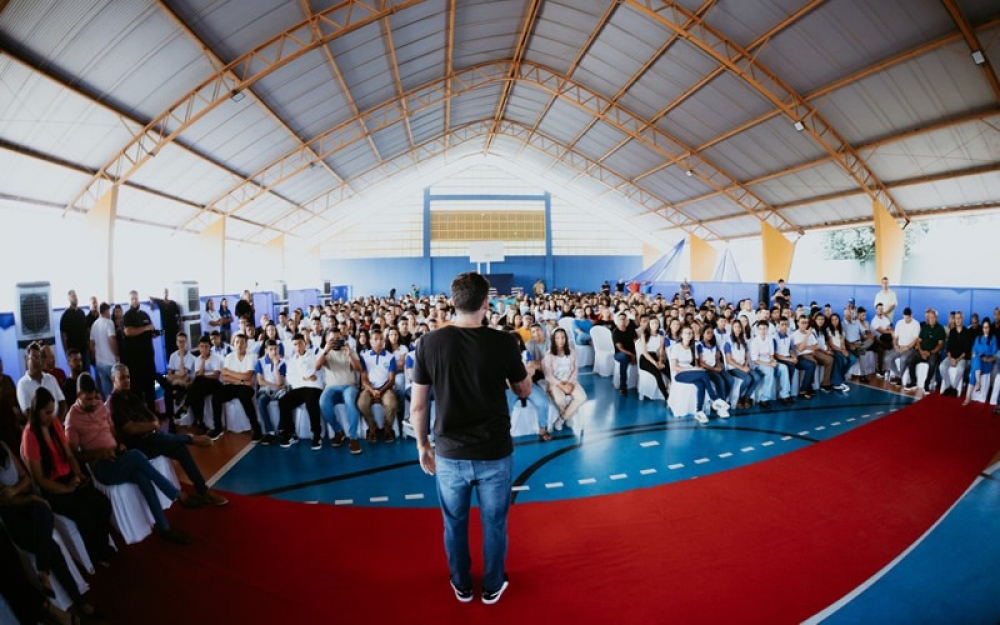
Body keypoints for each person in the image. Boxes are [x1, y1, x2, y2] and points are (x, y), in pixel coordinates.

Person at [410, 272, 531, 605]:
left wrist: (422, 445)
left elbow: (418, 405)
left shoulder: (428, 343)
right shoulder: (504, 342)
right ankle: (492, 585)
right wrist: (523, 373)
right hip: (494, 452)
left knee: (454, 524)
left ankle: (461, 584)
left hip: (449, 453)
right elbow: (523, 390)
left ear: (453, 302)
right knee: (494, 524)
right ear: (486, 303)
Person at [65, 374, 193, 544]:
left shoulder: (100, 406)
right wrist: (97, 454)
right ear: (78, 395)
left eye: (93, 397)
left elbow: (112, 432)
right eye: (87, 400)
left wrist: (119, 444)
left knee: (141, 475)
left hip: (116, 457)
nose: (92, 403)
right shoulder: (72, 419)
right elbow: (74, 456)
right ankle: (175, 494)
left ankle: (164, 528)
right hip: (101, 467)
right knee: (136, 456)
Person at [0, 438, 96, 619]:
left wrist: (18, 491)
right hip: (13, 518)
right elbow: (6, 501)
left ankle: (43, 570)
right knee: (53, 548)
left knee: (42, 509)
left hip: (30, 507)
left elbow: (26, 479)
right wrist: (28, 496)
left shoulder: (3, 446)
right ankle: (81, 603)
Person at [107, 364, 227, 507]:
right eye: (122, 378)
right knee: (161, 438)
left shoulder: (132, 396)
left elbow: (151, 415)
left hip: (151, 438)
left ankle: (203, 491)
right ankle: (190, 438)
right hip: (137, 447)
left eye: (128, 377)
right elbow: (131, 428)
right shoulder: (114, 403)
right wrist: (152, 426)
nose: (127, 380)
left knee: (180, 449)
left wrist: (152, 425)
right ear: (113, 379)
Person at [20, 387, 114, 568]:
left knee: (102, 503)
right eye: (46, 412)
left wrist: (78, 474)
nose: (50, 416)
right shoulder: (30, 435)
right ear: (36, 411)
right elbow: (40, 479)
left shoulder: (54, 423)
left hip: (69, 476)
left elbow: (70, 455)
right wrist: (66, 488)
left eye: (52, 411)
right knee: (85, 515)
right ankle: (96, 553)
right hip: (53, 487)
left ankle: (101, 544)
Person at [669, 326, 729, 424]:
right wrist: (692, 369)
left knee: (701, 384)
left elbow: (696, 363)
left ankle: (699, 411)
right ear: (681, 335)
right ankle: (714, 398)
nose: (688, 335)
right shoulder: (676, 347)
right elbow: (674, 367)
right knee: (704, 373)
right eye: (686, 333)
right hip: (680, 374)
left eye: (690, 333)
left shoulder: (693, 347)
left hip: (691, 372)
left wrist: (697, 368)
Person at [317, 328, 363, 455]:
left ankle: (353, 437)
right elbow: (317, 367)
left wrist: (349, 355)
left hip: (349, 386)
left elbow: (359, 369)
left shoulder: (350, 351)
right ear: (326, 340)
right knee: (323, 402)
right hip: (331, 387)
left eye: (338, 339)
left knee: (349, 400)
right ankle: (338, 431)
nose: (336, 342)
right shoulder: (324, 352)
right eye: (332, 340)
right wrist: (325, 351)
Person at [278, 333, 325, 450]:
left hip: (314, 387)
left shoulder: (313, 355)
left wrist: (306, 376)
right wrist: (306, 377)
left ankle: (316, 434)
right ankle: (291, 433)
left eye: (300, 343)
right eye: (295, 344)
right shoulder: (292, 360)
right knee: (283, 401)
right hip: (299, 388)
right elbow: (290, 378)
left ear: (305, 343)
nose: (298, 347)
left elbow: (307, 371)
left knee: (311, 402)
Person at [213, 333, 261, 441]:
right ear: (234, 344)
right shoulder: (229, 357)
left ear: (246, 345)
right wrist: (242, 381)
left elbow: (248, 375)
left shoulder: (251, 357)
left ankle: (256, 428)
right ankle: (218, 428)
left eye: (242, 343)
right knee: (216, 396)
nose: (239, 345)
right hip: (235, 385)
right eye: (237, 342)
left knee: (244, 396)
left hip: (247, 388)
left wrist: (230, 372)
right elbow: (225, 377)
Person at [357, 328, 400, 444]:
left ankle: (387, 428)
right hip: (369, 388)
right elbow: (364, 378)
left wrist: (380, 391)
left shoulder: (390, 357)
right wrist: (372, 390)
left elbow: (391, 379)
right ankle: (372, 427)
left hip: (385, 388)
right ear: (370, 341)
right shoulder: (364, 357)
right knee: (362, 403)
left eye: (381, 339)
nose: (379, 341)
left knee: (392, 403)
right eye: (375, 339)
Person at [542, 328, 587, 430]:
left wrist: (570, 383)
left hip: (570, 381)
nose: (560, 340)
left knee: (582, 397)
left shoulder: (572, 352)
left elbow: (575, 369)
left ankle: (563, 418)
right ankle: (569, 416)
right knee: (559, 399)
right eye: (557, 338)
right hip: (555, 383)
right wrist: (561, 386)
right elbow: (548, 375)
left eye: (563, 337)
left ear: (566, 339)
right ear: (553, 339)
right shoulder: (549, 354)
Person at [120, 290, 158, 411]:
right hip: (135, 362)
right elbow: (128, 332)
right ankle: (140, 417)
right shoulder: (127, 316)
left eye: (136, 298)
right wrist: (146, 328)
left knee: (150, 389)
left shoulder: (145, 315)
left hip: (148, 359)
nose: (135, 301)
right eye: (132, 299)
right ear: (129, 301)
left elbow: (152, 331)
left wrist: (155, 332)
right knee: (137, 391)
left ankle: (153, 415)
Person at [17, 344, 67, 420]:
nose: (38, 360)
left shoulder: (51, 378)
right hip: (37, 428)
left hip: (56, 424)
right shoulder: (22, 384)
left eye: (40, 357)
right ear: (27, 359)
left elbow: (62, 402)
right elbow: (27, 411)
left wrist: (57, 423)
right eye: (34, 357)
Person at [186, 335, 224, 432]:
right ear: (199, 347)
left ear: (209, 347)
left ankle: (186, 403)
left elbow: (216, 376)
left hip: (215, 384)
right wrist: (203, 361)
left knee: (197, 382)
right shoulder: (198, 359)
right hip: (203, 385)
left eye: (206, 346)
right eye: (201, 346)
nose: (204, 349)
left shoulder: (215, 358)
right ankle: (201, 423)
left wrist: (204, 376)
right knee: (197, 394)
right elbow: (199, 374)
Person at [903, 309, 945, 392]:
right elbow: (918, 341)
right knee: (910, 360)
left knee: (932, 363)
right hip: (922, 351)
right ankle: (913, 382)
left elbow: (940, 345)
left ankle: (927, 383)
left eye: (933, 318)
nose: (931, 319)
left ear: (936, 318)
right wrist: (921, 351)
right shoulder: (925, 327)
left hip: (933, 353)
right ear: (928, 319)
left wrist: (930, 352)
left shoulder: (940, 329)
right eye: (930, 318)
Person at [254, 339, 286, 445]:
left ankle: (282, 429)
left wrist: (276, 365)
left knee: (284, 400)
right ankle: (270, 431)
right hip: (266, 389)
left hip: (278, 391)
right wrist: (275, 385)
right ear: (266, 350)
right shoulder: (260, 361)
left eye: (276, 349)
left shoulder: (282, 362)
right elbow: (260, 381)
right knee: (261, 401)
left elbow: (279, 381)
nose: (274, 351)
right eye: (271, 349)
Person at [725, 320, 760, 409]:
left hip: (743, 366)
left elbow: (747, 355)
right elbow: (729, 360)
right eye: (735, 327)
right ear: (732, 328)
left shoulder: (742, 340)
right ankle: (739, 398)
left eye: (739, 327)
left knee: (757, 377)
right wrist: (742, 368)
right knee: (747, 379)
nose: (738, 329)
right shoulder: (728, 342)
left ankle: (746, 397)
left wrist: (746, 364)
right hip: (733, 367)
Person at [963, 319, 997, 407]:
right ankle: (978, 383)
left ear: (989, 328)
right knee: (977, 359)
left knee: (974, 369)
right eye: (984, 327)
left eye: (987, 327)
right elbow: (973, 351)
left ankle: (968, 397)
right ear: (982, 328)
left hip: (986, 363)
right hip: (977, 361)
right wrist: (975, 355)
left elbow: (995, 355)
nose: (985, 329)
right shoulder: (978, 338)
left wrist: (987, 359)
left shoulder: (993, 338)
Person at [939, 310, 973, 397]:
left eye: (959, 318)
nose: (957, 320)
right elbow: (948, 348)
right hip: (951, 357)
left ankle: (954, 388)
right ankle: (948, 386)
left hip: (961, 358)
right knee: (942, 366)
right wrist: (951, 359)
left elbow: (966, 351)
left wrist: (957, 360)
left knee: (960, 369)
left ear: (963, 319)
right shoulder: (952, 332)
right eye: (956, 318)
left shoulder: (967, 332)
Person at [89, 302, 119, 398]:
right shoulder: (109, 322)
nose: (110, 314)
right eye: (109, 311)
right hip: (110, 362)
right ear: (106, 311)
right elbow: (112, 339)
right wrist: (117, 355)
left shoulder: (94, 324)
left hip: (99, 363)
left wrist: (94, 358)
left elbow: (91, 344)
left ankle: (108, 411)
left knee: (107, 394)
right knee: (117, 392)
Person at [636, 316, 669, 401]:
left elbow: (661, 351)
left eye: (656, 323)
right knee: (657, 373)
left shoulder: (661, 337)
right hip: (645, 359)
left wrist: (660, 361)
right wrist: (655, 363)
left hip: (656, 356)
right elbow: (644, 352)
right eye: (652, 323)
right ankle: (666, 397)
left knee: (668, 371)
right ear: (649, 324)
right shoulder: (644, 335)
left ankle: (674, 392)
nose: (654, 325)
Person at [59, 290, 90, 372]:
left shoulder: (81, 312)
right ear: (69, 299)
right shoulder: (65, 315)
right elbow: (62, 335)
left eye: (75, 296)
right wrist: (66, 352)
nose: (75, 298)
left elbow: (86, 330)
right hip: (73, 352)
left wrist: (88, 344)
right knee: (76, 375)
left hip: (84, 351)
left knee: (87, 374)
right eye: (73, 296)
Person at [149, 289, 182, 358]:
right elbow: (151, 302)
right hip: (166, 329)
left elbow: (179, 315)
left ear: (168, 293)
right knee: (168, 346)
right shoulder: (160, 302)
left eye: (166, 292)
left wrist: (179, 326)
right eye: (164, 292)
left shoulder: (173, 303)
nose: (165, 294)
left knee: (176, 345)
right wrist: (151, 302)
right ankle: (170, 363)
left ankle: (178, 360)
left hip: (174, 328)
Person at [611, 312, 637, 396]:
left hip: (631, 353)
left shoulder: (631, 330)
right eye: (621, 319)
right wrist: (632, 355)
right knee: (624, 357)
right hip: (620, 354)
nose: (623, 321)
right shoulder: (615, 332)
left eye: (624, 319)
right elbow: (620, 348)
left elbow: (636, 343)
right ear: (617, 321)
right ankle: (623, 386)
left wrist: (636, 354)